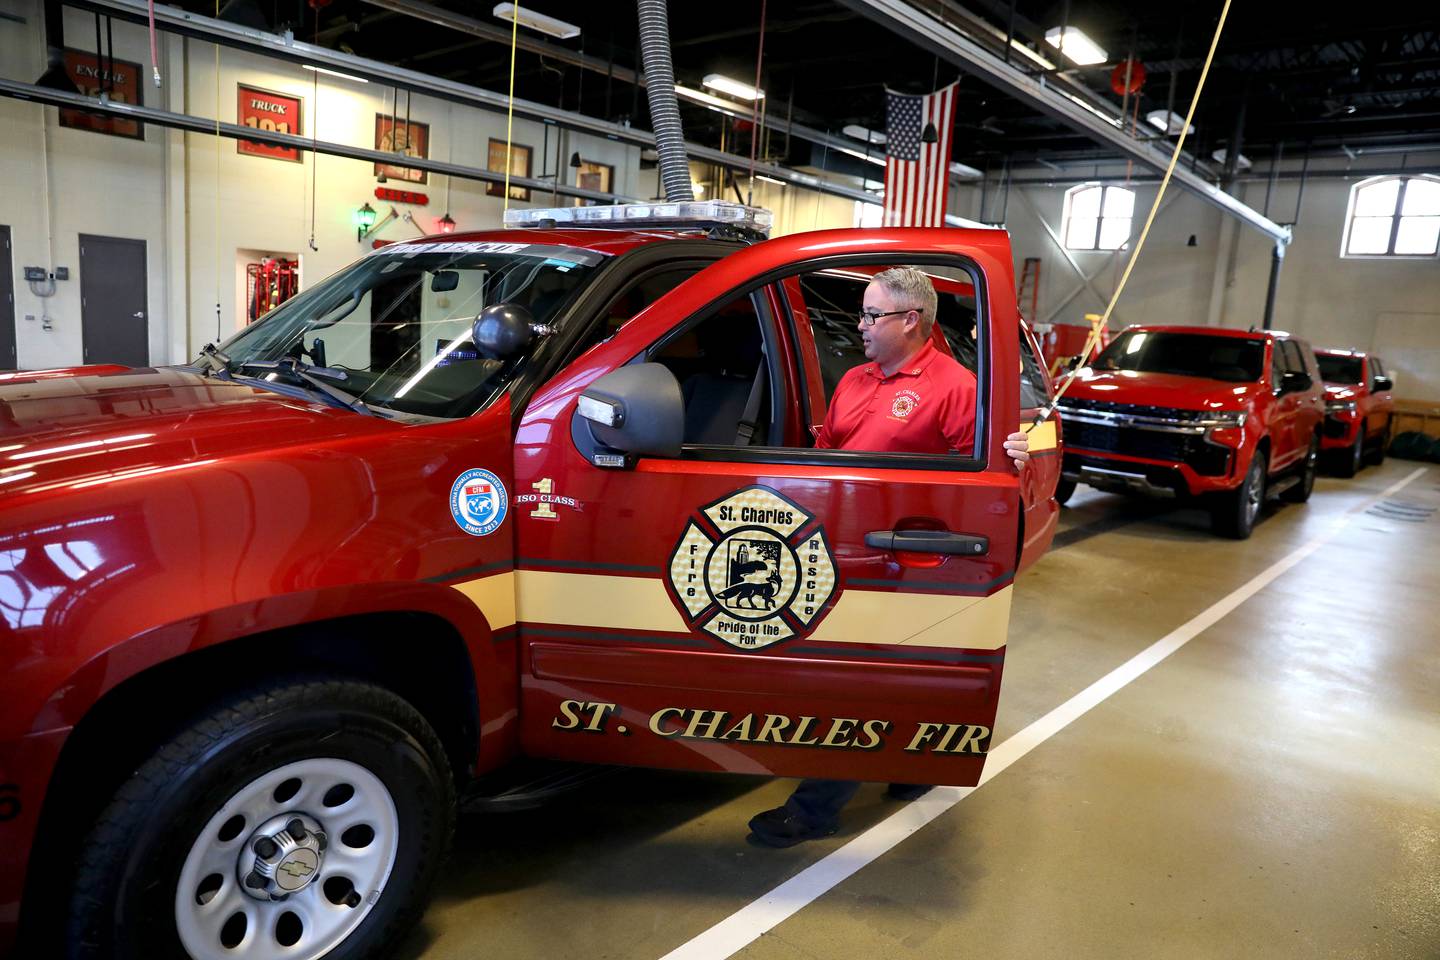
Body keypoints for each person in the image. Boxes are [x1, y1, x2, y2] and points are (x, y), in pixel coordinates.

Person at [747, 265, 1030, 848]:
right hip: (837, 545)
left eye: (872, 315)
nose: (861, 325)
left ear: (910, 320)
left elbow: (986, 481)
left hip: (903, 555)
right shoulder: (854, 379)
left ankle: (816, 807)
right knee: (872, 674)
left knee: (856, 682)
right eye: (862, 314)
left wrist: (1012, 457)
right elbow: (824, 454)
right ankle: (911, 766)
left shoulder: (956, 388)